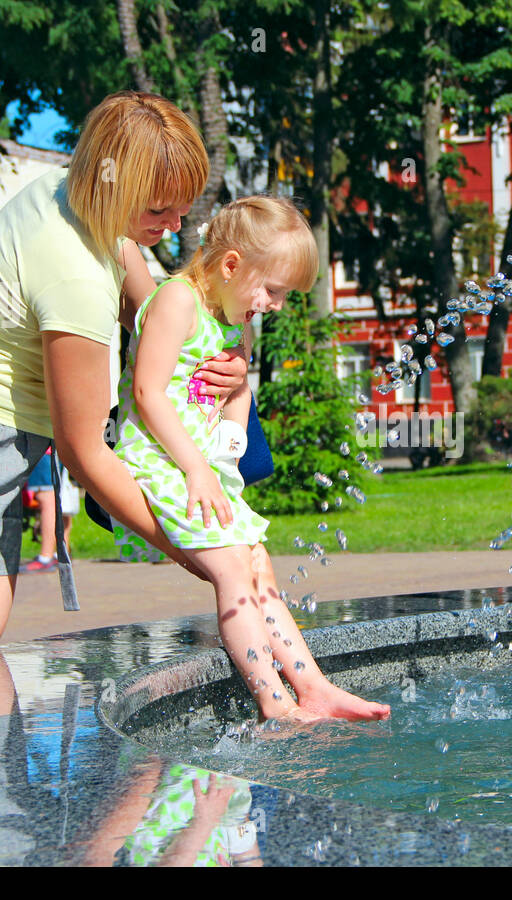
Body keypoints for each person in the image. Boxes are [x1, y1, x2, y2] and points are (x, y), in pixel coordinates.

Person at [0, 91, 249, 672]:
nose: (173, 227)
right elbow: (84, 454)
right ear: (112, 186)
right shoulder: (73, 272)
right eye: (160, 210)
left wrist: (230, 360)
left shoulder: (80, 199)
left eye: (183, 210)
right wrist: (207, 552)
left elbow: (162, 312)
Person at [112, 196, 389, 723]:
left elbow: (233, 399)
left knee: (262, 571)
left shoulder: (235, 316)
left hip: (202, 466)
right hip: (158, 457)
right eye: (273, 289)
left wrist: (228, 453)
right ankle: (272, 700)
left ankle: (315, 688)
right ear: (232, 264)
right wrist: (197, 468)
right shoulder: (177, 301)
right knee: (234, 572)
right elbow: (147, 393)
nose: (277, 303)